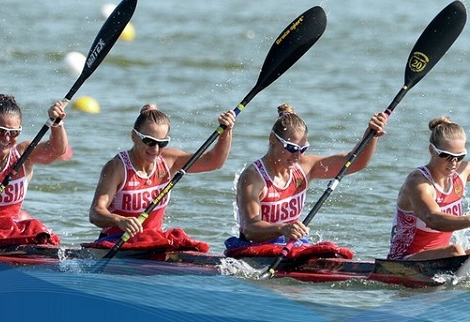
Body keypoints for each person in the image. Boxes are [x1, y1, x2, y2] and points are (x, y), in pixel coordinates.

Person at [224, 103, 387, 258]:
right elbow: (250, 228)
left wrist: (371, 135)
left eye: (303, 149)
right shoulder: (253, 177)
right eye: (292, 148)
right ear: (273, 139)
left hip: (291, 247)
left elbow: (355, 163)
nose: (297, 155)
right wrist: (283, 229)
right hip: (256, 249)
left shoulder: (305, 167)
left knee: (331, 250)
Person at [86, 104, 235, 252]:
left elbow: (214, 162)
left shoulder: (169, 160)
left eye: (162, 143)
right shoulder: (117, 168)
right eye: (149, 141)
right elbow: (95, 213)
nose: (155, 149)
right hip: (117, 243)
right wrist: (119, 220)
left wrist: (226, 132)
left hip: (153, 243)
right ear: (134, 136)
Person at [388, 116, 470, 261]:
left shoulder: (461, 173)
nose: (454, 163)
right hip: (404, 261)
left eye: (459, 156)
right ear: (432, 150)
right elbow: (433, 219)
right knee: (456, 250)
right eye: (446, 156)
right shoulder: (418, 183)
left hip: (440, 257)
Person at [0, 94, 68, 246]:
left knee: (37, 228)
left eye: (13, 133)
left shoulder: (23, 154)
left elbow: (56, 150)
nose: (6, 138)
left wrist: (57, 123)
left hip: (11, 233)